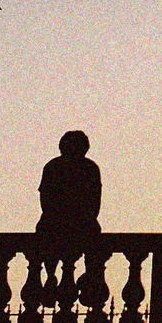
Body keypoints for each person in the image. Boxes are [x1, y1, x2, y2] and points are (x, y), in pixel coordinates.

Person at [35, 130, 104, 312]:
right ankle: (88, 279)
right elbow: (94, 202)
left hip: (58, 221)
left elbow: (46, 200)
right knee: (92, 241)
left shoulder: (53, 166)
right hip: (77, 222)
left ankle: (52, 278)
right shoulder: (90, 168)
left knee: (47, 237)